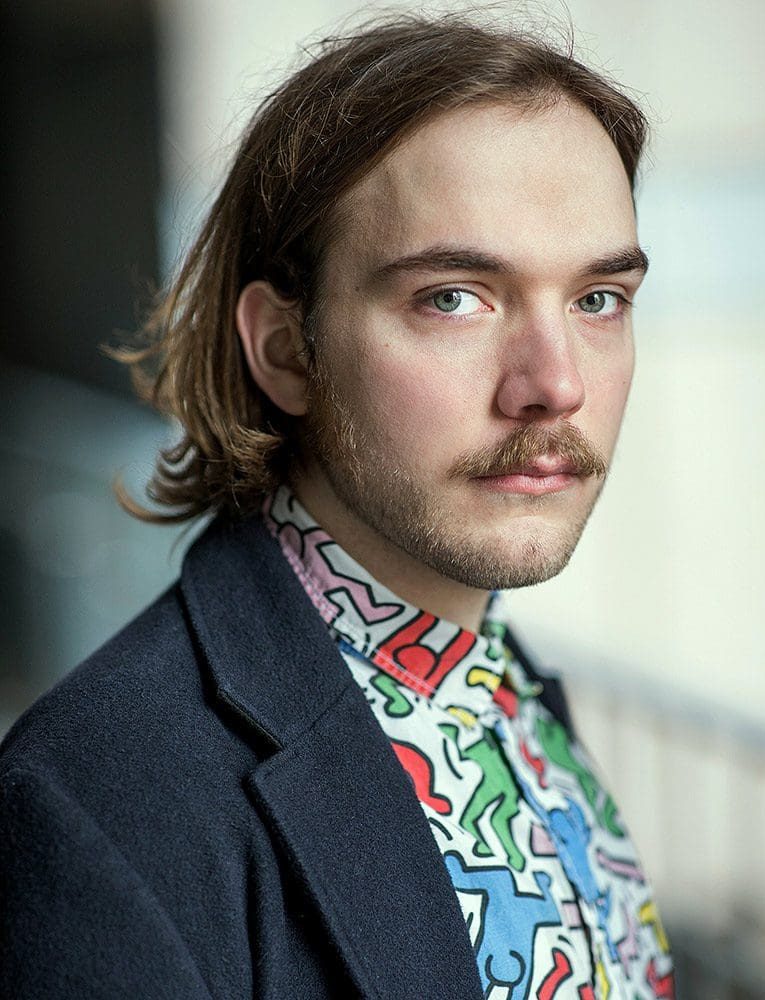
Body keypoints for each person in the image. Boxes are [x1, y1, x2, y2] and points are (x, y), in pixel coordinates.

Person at [0, 14, 676, 1000]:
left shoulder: (504, 689)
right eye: (452, 297)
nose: (553, 384)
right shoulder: (94, 809)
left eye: (595, 299)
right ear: (284, 347)